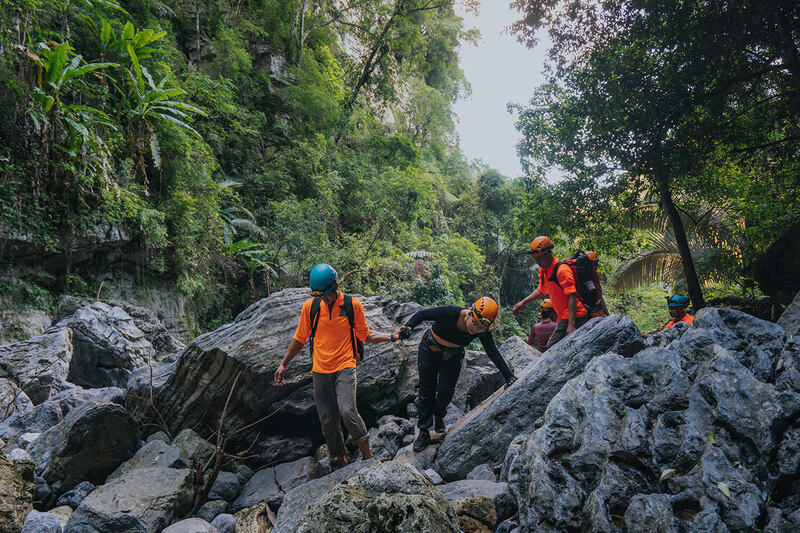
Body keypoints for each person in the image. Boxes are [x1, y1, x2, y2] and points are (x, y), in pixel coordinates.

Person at [274, 263, 396, 468]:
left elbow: (366, 335)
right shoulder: (310, 307)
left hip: (345, 365)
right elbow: (300, 338)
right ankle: (340, 459)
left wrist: (392, 336)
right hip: (320, 369)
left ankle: (368, 459)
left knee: (347, 410)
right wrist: (283, 364)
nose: (324, 299)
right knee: (327, 419)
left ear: (336, 286)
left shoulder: (351, 305)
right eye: (320, 295)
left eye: (327, 294)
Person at [396, 297, 516, 452]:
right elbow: (423, 314)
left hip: (453, 355)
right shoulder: (451, 312)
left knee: (446, 390)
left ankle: (439, 415)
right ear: (470, 313)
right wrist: (409, 327)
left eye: (481, 327)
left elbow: (492, 351)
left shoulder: (483, 330)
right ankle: (424, 431)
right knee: (427, 389)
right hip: (429, 349)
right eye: (474, 323)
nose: (476, 329)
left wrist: (508, 376)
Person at [512, 236, 590, 348]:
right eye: (535, 258)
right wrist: (523, 303)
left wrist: (571, 324)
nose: (537, 261)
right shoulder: (543, 270)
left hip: (575, 315)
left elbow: (572, 296)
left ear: (548, 254)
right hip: (563, 316)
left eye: (538, 258)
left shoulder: (562, 270)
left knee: (553, 346)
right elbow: (541, 290)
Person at [585, 251, 609, 317]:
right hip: (594, 312)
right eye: (595, 263)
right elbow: (599, 299)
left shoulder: (590, 275)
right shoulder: (588, 276)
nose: (596, 266)